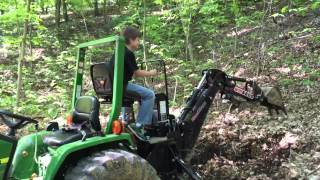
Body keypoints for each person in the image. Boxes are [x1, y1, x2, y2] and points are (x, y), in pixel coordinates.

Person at [110, 26, 158, 140]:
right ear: (131, 40)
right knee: (149, 94)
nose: (139, 42)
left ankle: (127, 123)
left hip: (114, 86)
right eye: (137, 39)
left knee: (142, 94)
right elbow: (137, 72)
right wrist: (151, 72)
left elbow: (132, 72)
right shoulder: (128, 53)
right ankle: (139, 125)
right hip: (122, 86)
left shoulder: (118, 52)